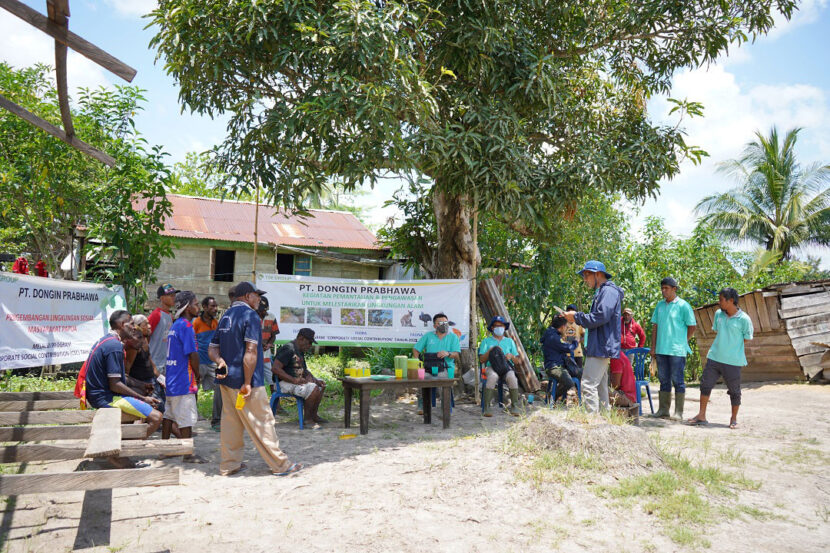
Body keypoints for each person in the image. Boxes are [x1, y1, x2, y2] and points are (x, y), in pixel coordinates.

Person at [209, 281, 303, 476]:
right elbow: (251, 351)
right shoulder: (250, 315)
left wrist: (220, 361)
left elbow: (212, 348)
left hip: (226, 380)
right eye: (257, 295)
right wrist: (247, 382)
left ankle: (229, 464)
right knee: (263, 421)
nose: (259, 299)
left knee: (231, 423)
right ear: (247, 296)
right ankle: (280, 465)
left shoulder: (225, 315)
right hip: (247, 381)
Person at [83, 310, 162, 467]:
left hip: (100, 395)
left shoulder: (107, 340)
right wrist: (143, 398)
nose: (134, 327)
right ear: (121, 325)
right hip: (106, 398)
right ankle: (119, 453)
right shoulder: (115, 346)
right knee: (156, 417)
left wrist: (140, 386)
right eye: (131, 324)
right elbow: (115, 384)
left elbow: (119, 378)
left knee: (142, 406)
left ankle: (119, 448)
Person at [688, 288, 753, 429]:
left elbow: (747, 338)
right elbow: (718, 331)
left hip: (733, 361)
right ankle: (701, 415)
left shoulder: (744, 319)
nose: (719, 302)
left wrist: (732, 346)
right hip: (714, 357)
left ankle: (733, 419)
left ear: (731, 301)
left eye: (721, 299)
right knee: (705, 385)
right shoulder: (719, 314)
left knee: (735, 391)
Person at [564, 260, 624, 413]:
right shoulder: (602, 292)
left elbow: (600, 316)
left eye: (587, 275)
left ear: (598, 274)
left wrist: (576, 317)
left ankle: (592, 420)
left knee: (588, 384)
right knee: (600, 387)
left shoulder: (608, 292)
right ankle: (604, 419)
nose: (585, 280)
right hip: (599, 345)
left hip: (601, 346)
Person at [164, 291, 205, 463]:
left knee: (169, 415)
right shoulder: (187, 326)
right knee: (185, 418)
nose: (198, 307)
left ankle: (164, 449)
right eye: (195, 304)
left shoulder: (175, 325)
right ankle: (188, 454)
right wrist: (198, 374)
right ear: (188, 307)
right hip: (183, 379)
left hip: (171, 378)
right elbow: (193, 354)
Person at [649, 277, 696, 420]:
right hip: (661, 349)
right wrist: (653, 347)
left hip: (677, 350)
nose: (664, 291)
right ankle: (663, 410)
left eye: (666, 288)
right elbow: (655, 326)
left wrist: (683, 341)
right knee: (663, 380)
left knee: (678, 380)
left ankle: (678, 412)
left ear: (674, 289)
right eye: (662, 288)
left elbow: (692, 326)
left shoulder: (683, 306)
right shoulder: (659, 306)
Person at [273, 328, 327, 425]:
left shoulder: (299, 350)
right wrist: (294, 380)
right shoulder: (288, 349)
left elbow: (304, 370)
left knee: (320, 385)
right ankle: (307, 419)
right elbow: (275, 369)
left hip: (295, 381)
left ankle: (313, 415)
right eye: (309, 342)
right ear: (301, 338)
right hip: (283, 383)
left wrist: (314, 379)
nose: (310, 345)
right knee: (313, 388)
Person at [412, 312, 461, 414]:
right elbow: (416, 349)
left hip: (445, 368)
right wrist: (418, 363)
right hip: (428, 368)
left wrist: (448, 353)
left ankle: (445, 407)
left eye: (445, 322)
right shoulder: (428, 336)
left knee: (443, 379)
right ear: (435, 326)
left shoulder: (453, 337)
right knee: (421, 378)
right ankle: (422, 405)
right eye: (440, 323)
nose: (444, 324)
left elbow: (456, 354)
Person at [478, 315, 522, 417]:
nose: (499, 328)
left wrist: (511, 356)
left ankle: (514, 406)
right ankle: (487, 407)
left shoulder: (509, 341)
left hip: (506, 367)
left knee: (512, 377)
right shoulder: (486, 341)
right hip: (491, 367)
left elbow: (517, 361)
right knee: (492, 377)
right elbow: (481, 359)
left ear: (504, 327)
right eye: (496, 326)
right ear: (492, 328)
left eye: (501, 326)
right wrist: (490, 351)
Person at [147, 283, 178, 414]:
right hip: (155, 364)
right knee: (155, 399)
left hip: (165, 364)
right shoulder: (156, 315)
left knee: (164, 399)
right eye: (170, 295)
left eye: (174, 295)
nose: (173, 297)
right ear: (162, 298)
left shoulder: (170, 316)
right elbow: (145, 338)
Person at [194, 296, 222, 430]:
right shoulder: (196, 323)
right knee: (194, 389)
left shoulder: (216, 323)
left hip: (212, 363)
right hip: (198, 362)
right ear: (204, 307)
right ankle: (194, 414)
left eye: (216, 306)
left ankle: (217, 418)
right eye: (212, 306)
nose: (215, 309)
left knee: (219, 387)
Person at [540, 315, 578, 404]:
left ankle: (575, 399)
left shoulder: (552, 334)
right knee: (569, 382)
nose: (566, 329)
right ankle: (552, 396)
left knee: (580, 373)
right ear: (562, 327)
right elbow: (568, 348)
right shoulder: (554, 337)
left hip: (559, 365)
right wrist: (575, 342)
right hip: (553, 367)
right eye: (566, 327)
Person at [258, 296, 280, 396]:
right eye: (261, 310)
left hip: (266, 355)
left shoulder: (271, 317)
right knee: (256, 381)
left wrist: (269, 344)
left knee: (272, 380)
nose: (264, 312)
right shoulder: (252, 317)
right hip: (254, 355)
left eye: (265, 310)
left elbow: (273, 335)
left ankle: (275, 402)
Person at [564, 304, 585, 371]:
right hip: (566, 353)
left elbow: (585, 337)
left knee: (578, 373)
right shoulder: (563, 323)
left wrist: (578, 340)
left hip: (577, 353)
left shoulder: (579, 323)